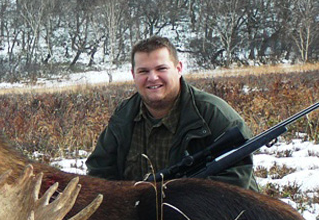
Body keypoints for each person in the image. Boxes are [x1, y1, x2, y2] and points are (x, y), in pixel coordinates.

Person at [86, 36, 258, 191]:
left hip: (217, 218)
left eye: (161, 68)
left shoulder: (215, 114)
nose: (153, 78)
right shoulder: (124, 116)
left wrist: (178, 201)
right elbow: (99, 171)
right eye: (143, 71)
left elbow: (237, 178)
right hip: (142, 217)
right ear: (133, 75)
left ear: (179, 68)